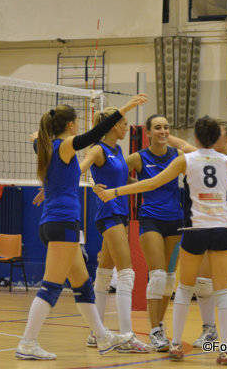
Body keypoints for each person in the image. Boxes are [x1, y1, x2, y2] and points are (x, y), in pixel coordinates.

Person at [95, 115, 227, 365]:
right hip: (223, 229)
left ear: (196, 138)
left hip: (196, 229)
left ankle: (175, 344)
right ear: (218, 138)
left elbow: (151, 182)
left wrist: (114, 192)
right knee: (223, 291)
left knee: (185, 290)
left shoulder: (186, 159)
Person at [15, 94, 146, 360]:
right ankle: (27, 343)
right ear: (72, 125)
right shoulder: (63, 146)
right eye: (77, 123)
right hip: (62, 222)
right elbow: (94, 134)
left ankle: (101, 335)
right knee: (51, 286)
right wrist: (125, 109)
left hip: (58, 221)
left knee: (83, 284)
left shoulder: (46, 146)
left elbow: (60, 165)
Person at [169, 119, 227, 349]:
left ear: (226, 137)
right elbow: (180, 142)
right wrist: (162, 133)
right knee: (204, 283)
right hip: (209, 224)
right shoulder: (202, 156)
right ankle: (210, 331)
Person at [79, 106, 153, 353]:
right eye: (123, 124)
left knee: (104, 272)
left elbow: (122, 181)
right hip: (108, 213)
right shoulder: (98, 149)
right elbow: (80, 168)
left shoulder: (118, 149)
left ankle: (95, 333)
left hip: (120, 212)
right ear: (112, 125)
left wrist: (147, 184)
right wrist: (89, 184)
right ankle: (126, 336)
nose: (126, 128)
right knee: (126, 272)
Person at [125, 114, 184, 351]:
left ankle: (160, 326)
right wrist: (134, 186)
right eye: (158, 127)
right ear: (147, 133)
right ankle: (155, 330)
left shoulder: (177, 156)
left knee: (169, 278)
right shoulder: (139, 158)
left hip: (176, 220)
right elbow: (112, 171)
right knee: (157, 275)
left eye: (166, 127)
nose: (163, 131)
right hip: (150, 219)